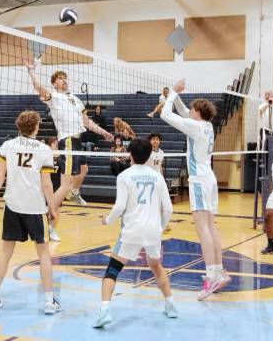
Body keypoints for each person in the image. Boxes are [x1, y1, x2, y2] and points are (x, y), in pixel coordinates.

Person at [0, 110, 62, 315]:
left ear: (19, 126)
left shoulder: (8, 146)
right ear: (36, 127)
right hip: (35, 209)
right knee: (44, 254)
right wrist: (53, 208)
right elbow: (46, 184)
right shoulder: (44, 149)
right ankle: (48, 302)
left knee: (5, 252)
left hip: (13, 206)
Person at [26, 58, 113, 241]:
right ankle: (49, 223)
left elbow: (86, 122)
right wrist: (31, 72)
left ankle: (75, 192)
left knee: (84, 169)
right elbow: (39, 89)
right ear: (54, 83)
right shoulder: (53, 97)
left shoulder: (75, 99)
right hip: (67, 141)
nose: (64, 80)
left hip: (78, 141)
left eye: (65, 77)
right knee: (64, 185)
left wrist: (104, 132)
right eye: (59, 78)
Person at [93, 138, 176, 328]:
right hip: (153, 231)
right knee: (156, 266)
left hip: (130, 231)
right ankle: (170, 305)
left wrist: (107, 220)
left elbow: (120, 206)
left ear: (130, 154)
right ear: (149, 156)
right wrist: (160, 227)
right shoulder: (158, 177)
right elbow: (169, 209)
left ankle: (104, 311)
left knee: (112, 270)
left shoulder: (124, 176)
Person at [160, 79, 230, 299]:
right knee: (211, 227)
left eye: (192, 109)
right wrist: (176, 96)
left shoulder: (195, 126)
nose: (189, 111)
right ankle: (219, 271)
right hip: (209, 178)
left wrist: (172, 93)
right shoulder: (207, 125)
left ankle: (211, 277)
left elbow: (166, 115)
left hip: (199, 180)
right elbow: (182, 113)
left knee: (202, 230)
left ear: (198, 113)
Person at [146, 133, 170, 233]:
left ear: (159, 141)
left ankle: (163, 223)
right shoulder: (146, 152)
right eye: (153, 139)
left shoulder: (161, 152)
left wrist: (162, 178)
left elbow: (160, 167)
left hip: (158, 180)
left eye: (157, 139)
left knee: (161, 203)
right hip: (148, 181)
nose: (155, 141)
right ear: (149, 141)